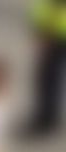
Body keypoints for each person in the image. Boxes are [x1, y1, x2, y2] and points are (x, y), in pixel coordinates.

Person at [26, 0, 66, 138]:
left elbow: (57, 7)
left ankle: (47, 120)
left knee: (47, 78)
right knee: (49, 77)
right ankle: (48, 118)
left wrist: (48, 34)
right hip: (55, 31)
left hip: (56, 33)